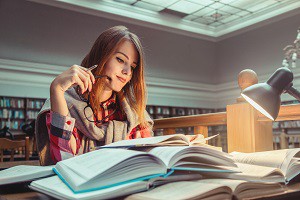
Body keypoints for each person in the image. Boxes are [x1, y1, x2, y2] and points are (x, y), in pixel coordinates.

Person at [37, 26, 153, 164]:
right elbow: (63, 159)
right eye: (120, 60)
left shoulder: (135, 114)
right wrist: (56, 89)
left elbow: (147, 161)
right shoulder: (63, 103)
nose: (127, 71)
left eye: (132, 67)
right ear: (101, 55)